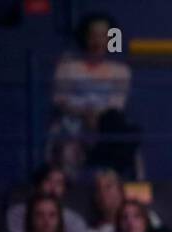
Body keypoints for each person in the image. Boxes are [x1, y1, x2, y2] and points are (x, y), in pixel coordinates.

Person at [48, 11, 134, 175]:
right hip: (72, 124)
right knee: (67, 148)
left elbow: (117, 104)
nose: (97, 41)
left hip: (105, 127)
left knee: (124, 135)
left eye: (103, 36)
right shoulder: (67, 67)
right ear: (85, 37)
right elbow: (59, 100)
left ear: (111, 39)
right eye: (93, 35)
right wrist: (84, 114)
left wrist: (97, 117)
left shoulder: (121, 71)